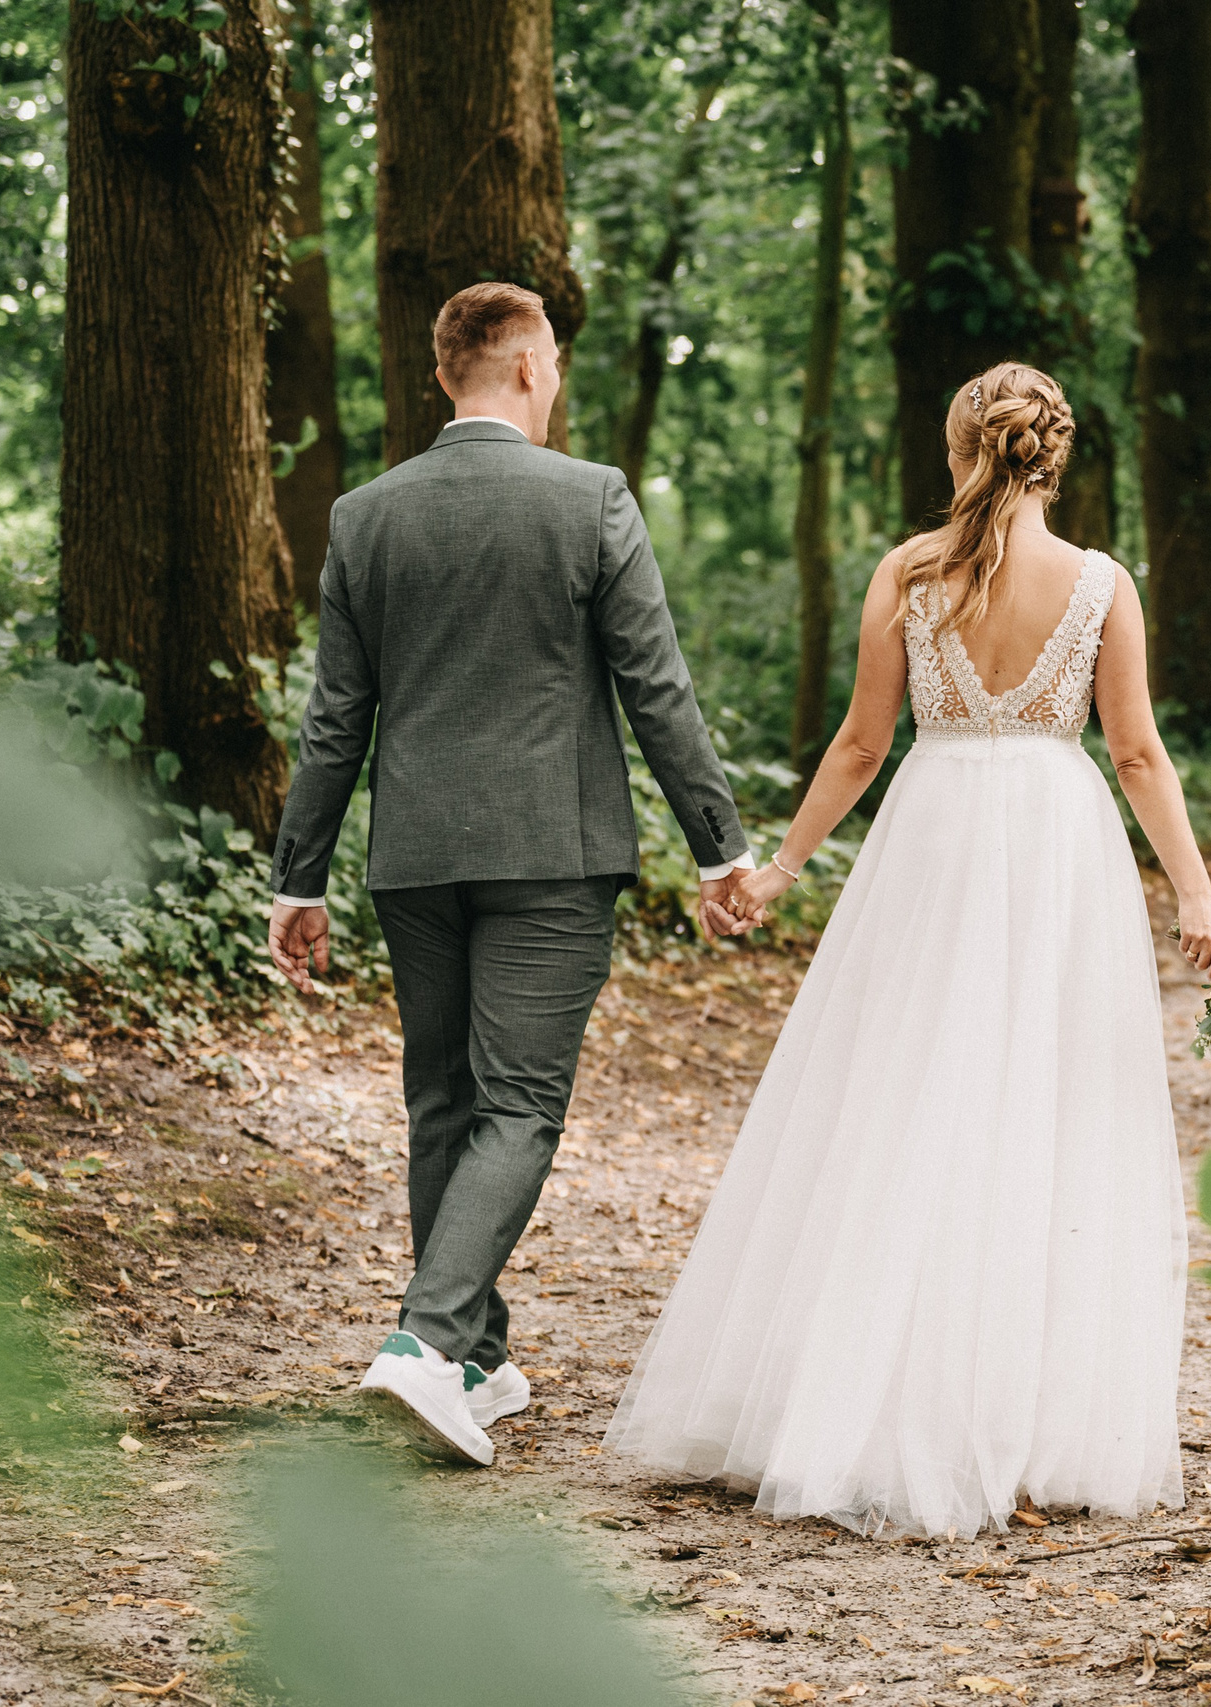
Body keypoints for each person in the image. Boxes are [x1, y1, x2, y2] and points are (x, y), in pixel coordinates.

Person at [604, 361, 1211, 1538]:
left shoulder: (908, 570)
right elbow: (1138, 757)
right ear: (1055, 455)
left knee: (901, 1091)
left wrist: (780, 868)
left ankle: (862, 1397)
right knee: (1043, 1111)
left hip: (932, 832)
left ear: (958, 451)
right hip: (1056, 843)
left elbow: (859, 742)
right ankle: (1029, 1421)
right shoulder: (1102, 584)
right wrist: (1196, 898)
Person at [265, 282, 762, 1467]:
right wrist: (721, 847)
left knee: (443, 1101)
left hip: (417, 859)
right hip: (552, 854)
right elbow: (657, 687)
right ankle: (424, 1346)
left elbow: (337, 718)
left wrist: (300, 878)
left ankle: (477, 1363)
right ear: (533, 368)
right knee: (520, 1107)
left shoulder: (363, 517)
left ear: (448, 376)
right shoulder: (590, 500)